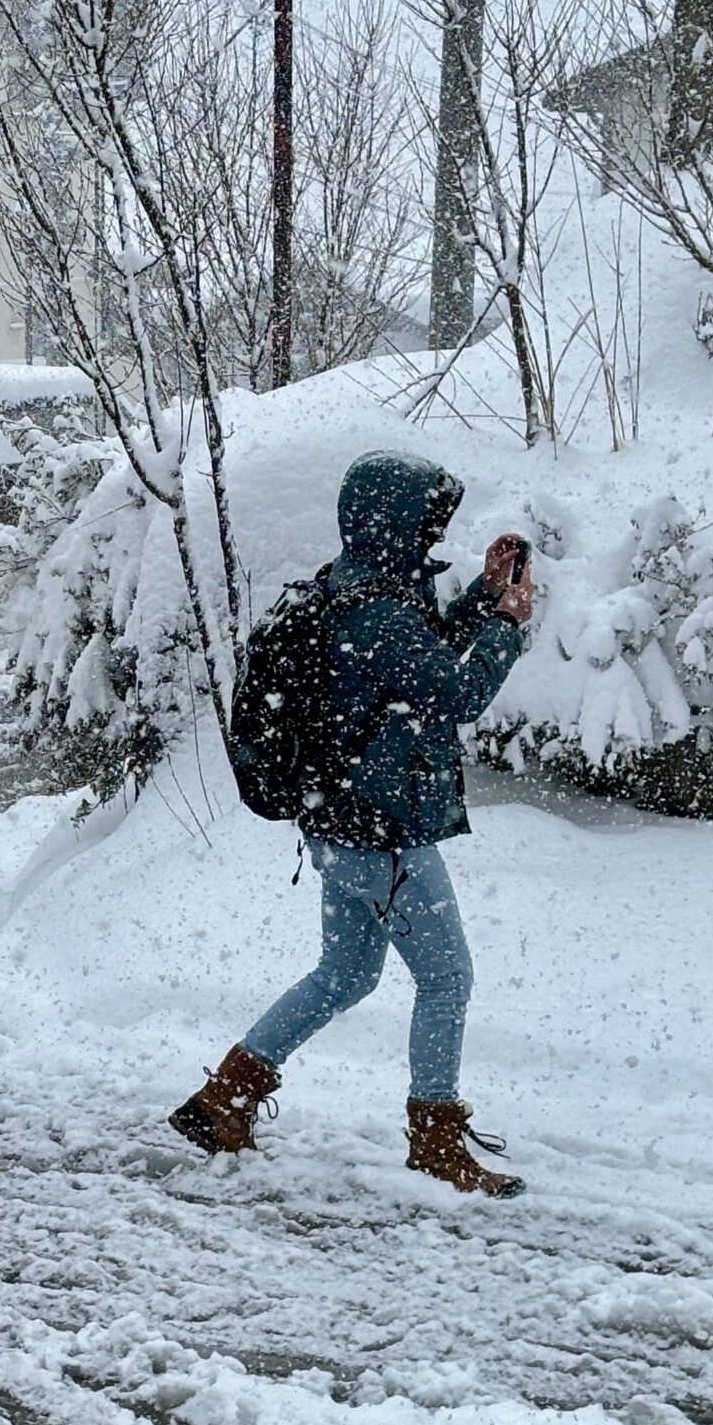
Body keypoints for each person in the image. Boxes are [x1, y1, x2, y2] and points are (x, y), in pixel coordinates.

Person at [170, 451, 534, 1195]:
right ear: (396, 524)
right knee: (447, 978)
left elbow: (418, 664)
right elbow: (456, 691)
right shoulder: (376, 609)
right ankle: (434, 1142)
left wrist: (480, 597)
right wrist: (506, 627)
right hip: (382, 836)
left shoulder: (357, 590)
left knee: (344, 974)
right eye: (427, 520)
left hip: (338, 825)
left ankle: (222, 1101)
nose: (434, 533)